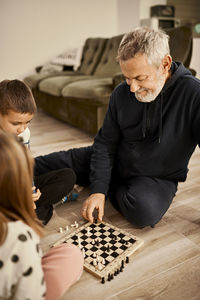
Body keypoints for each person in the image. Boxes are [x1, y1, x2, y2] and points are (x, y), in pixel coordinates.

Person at [34, 27, 200, 228]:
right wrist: (97, 191)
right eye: (127, 78)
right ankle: (100, 179)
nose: (132, 88)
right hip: (114, 157)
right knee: (36, 165)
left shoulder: (194, 94)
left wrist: (100, 187)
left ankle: (101, 179)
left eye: (140, 78)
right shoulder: (121, 93)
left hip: (154, 177)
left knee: (144, 213)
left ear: (165, 64)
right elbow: (105, 143)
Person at [0, 132, 84, 300]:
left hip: (17, 198)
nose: (22, 128)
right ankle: (52, 203)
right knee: (72, 253)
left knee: (67, 176)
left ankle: (48, 203)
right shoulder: (21, 236)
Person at [0, 79, 76, 224]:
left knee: (68, 176)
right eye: (15, 123)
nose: (22, 129)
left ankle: (31, 211)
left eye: (27, 122)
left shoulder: (23, 134)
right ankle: (42, 208)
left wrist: (30, 190)